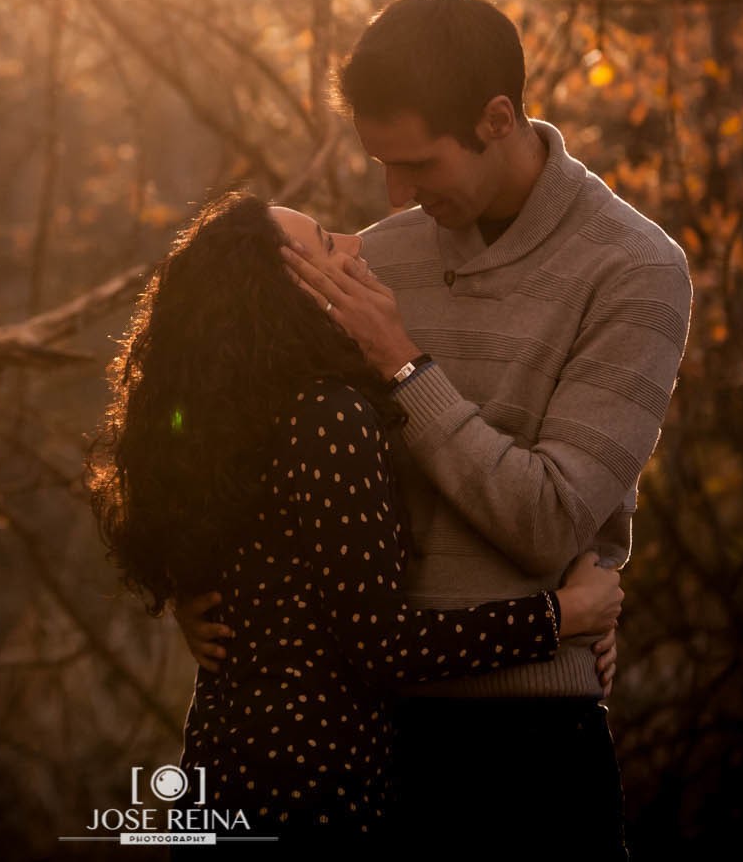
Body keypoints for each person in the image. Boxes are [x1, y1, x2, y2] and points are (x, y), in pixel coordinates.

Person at [176, 0, 693, 857]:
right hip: (367, 744)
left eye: (417, 164)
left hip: (532, 753)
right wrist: (198, 580)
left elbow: (552, 517)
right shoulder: (378, 255)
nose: (395, 192)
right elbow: (232, 415)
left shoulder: (635, 270)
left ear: (497, 119)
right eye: (383, 163)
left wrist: (404, 366)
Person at [88, 191, 624, 853]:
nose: (356, 243)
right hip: (310, 795)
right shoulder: (327, 417)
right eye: (327, 242)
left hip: (221, 777)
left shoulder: (231, 417)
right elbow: (382, 648)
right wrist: (562, 616)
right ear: (293, 294)